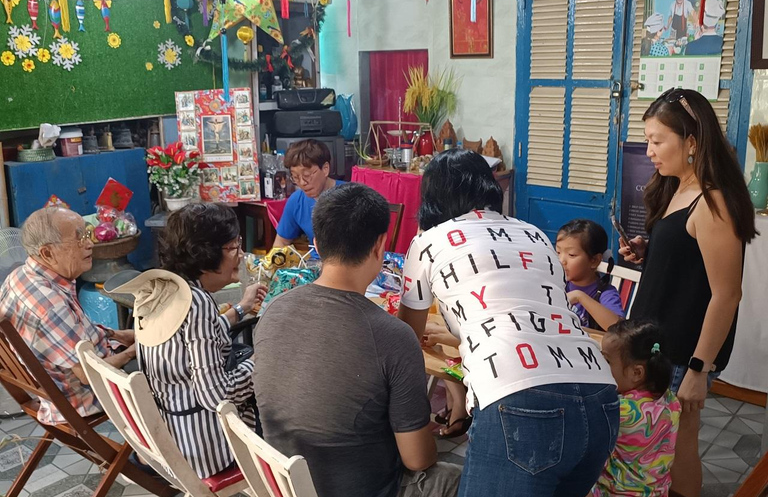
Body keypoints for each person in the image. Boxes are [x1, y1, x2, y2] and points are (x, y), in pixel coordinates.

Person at [398, 150, 619, 496]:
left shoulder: (427, 241)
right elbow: (535, 320)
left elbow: (405, 339)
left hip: (521, 401)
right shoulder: (534, 235)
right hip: (601, 396)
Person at [254, 183, 462, 497]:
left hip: (285, 484)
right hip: (363, 488)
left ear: (317, 245)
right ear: (381, 245)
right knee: (465, 476)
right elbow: (418, 459)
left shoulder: (274, 310)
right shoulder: (394, 336)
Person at [620, 88, 757, 497]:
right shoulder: (679, 187)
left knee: (680, 444)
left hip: (683, 353)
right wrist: (651, 252)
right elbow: (688, 260)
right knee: (652, 443)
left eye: (658, 141)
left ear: (692, 142)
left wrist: (699, 369)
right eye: (647, 140)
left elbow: (727, 294)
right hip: (657, 342)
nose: (649, 151)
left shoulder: (713, 202)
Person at [113, 203, 266, 479]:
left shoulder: (164, 287)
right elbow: (216, 396)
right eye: (233, 247)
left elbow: (194, 342)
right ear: (205, 255)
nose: (240, 255)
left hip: (169, 434)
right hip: (204, 451)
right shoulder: (198, 305)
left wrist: (242, 307)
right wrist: (262, 361)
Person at [0, 207, 136, 425]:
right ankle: (152, 452)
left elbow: (70, 336)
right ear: (47, 253)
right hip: (84, 398)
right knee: (170, 368)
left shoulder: (18, 276)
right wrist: (133, 352)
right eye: (78, 238)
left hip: (63, 383)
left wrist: (117, 334)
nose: (89, 243)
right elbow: (88, 374)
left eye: (86, 233)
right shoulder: (50, 306)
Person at [591, 320, 682, 497]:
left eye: (606, 360)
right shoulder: (670, 399)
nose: (599, 365)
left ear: (637, 373)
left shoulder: (620, 411)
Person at [273, 139, 341, 251]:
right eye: (295, 177)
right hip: (315, 264)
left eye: (307, 175)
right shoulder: (296, 201)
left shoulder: (351, 197)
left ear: (325, 169)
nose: (302, 183)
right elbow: (281, 242)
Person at [556, 219, 624, 331]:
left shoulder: (605, 293)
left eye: (571, 255)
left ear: (594, 261)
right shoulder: (556, 283)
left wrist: (580, 296)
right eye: (558, 252)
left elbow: (618, 329)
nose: (561, 260)